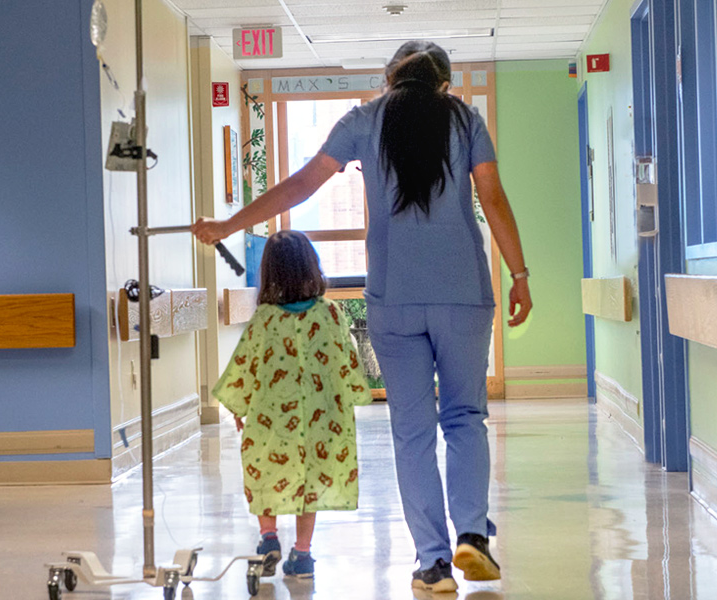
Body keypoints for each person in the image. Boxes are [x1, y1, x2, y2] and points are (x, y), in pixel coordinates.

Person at [193, 41, 531, 593]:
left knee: (412, 432)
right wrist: (519, 275)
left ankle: (434, 563)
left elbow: (301, 184)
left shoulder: (364, 120)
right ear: (443, 82)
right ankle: (473, 533)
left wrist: (229, 226)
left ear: (389, 79)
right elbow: (491, 197)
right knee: (466, 418)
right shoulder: (465, 119)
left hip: (394, 297)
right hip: (463, 294)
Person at [213, 230, 374, 581]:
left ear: (269, 273)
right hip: (322, 420)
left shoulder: (264, 320)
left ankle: (268, 537)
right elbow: (347, 363)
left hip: (271, 420)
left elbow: (244, 367)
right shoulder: (331, 314)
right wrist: (352, 399)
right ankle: (302, 554)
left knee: (264, 471)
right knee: (311, 482)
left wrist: (239, 410)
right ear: (311, 267)